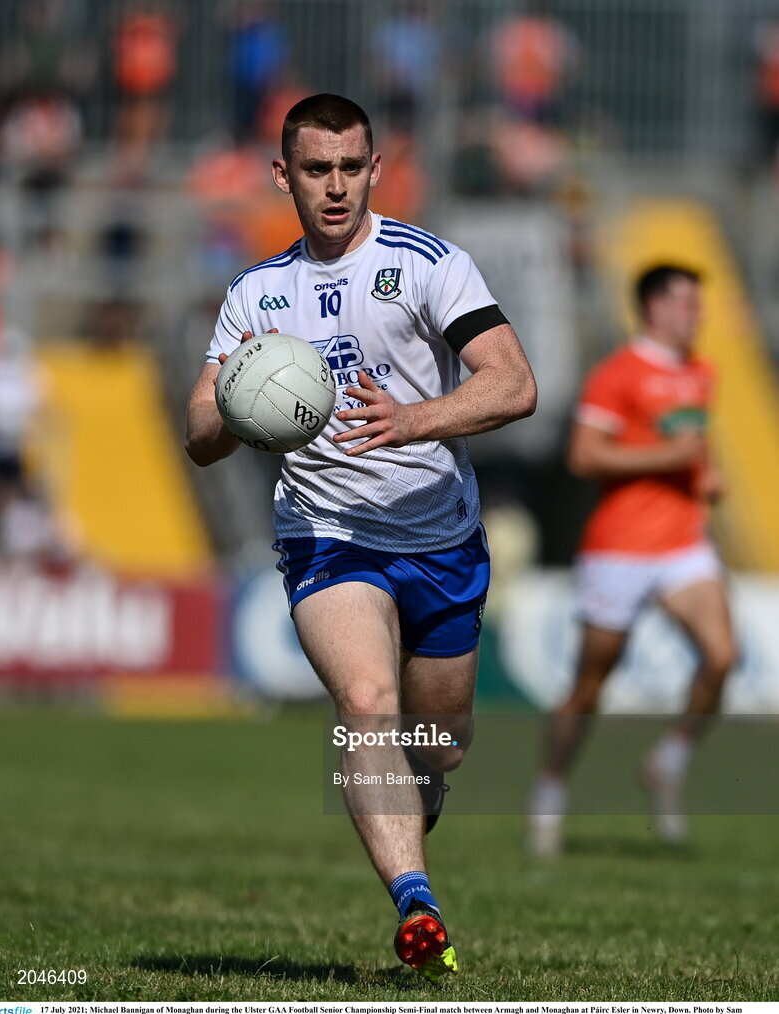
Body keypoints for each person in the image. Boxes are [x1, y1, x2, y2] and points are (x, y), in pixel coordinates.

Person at [185, 93, 536, 980]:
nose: (335, 186)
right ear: (283, 176)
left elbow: (513, 383)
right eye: (315, 169)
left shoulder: (429, 264)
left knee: (438, 746)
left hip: (441, 537)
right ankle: (416, 904)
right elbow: (198, 438)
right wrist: (240, 402)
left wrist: (413, 421)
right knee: (368, 704)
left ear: (375, 168)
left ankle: (413, 830)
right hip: (327, 534)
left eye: (351, 167)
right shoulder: (256, 294)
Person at [527, 265, 736, 857]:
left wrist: (706, 475)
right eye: (687, 304)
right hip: (619, 548)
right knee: (589, 687)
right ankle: (549, 792)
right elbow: (584, 456)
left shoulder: (701, 372)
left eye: (699, 303)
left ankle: (668, 761)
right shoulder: (617, 374)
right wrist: (665, 455)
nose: (698, 314)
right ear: (653, 308)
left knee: (723, 657)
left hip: (683, 544)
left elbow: (695, 445)